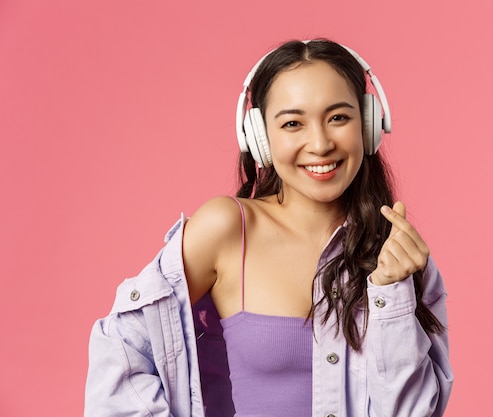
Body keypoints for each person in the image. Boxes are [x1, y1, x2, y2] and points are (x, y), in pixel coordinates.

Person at [85, 39, 453, 417]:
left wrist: (391, 293)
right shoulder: (228, 229)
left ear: (369, 124)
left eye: (338, 118)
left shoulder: (399, 256)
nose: (321, 143)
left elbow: (411, 412)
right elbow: (120, 350)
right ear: (259, 138)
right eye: (293, 123)